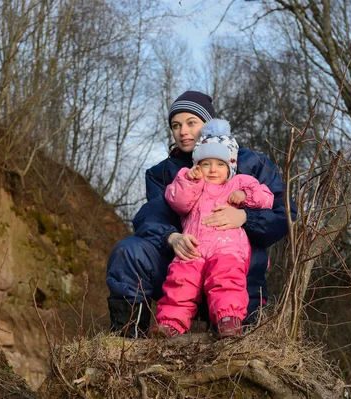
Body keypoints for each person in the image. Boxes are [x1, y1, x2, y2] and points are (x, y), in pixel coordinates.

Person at [106, 90, 295, 338]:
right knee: (128, 251)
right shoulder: (162, 173)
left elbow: (286, 213)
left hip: (235, 271)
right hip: (183, 265)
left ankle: (229, 319)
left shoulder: (250, 163)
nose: (183, 131)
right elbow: (152, 215)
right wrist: (170, 238)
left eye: (191, 123)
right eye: (176, 125)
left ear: (209, 125)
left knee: (233, 326)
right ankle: (127, 341)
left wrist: (246, 218)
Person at [152, 119, 274, 339]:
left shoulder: (239, 182)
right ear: (197, 165)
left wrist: (246, 197)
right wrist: (189, 180)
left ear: (230, 166)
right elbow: (176, 201)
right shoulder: (192, 183)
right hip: (194, 247)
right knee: (180, 281)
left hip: (228, 249)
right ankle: (169, 324)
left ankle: (229, 320)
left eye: (219, 164)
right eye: (206, 164)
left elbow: (267, 197)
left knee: (226, 280)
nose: (212, 169)